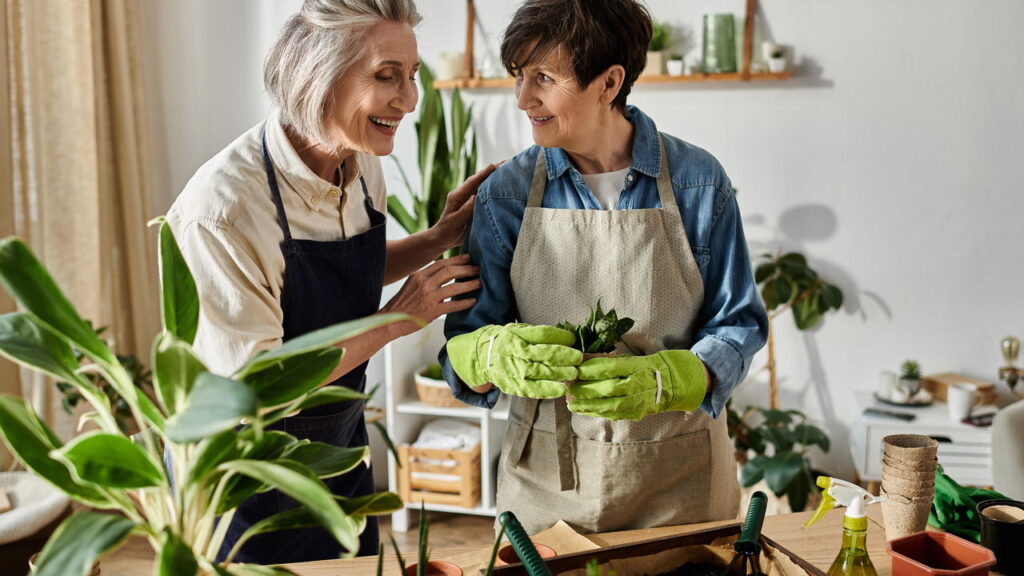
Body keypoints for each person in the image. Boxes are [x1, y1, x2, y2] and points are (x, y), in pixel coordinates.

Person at [167, 0, 494, 564]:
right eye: (387, 76)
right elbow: (259, 387)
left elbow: (347, 270)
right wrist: (399, 318)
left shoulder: (361, 162)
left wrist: (438, 236)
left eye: (412, 75)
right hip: (245, 475)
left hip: (337, 448)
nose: (410, 100)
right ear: (318, 78)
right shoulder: (223, 213)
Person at [440, 0, 768, 535]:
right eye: (520, 76)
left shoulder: (698, 182)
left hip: (679, 478)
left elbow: (739, 324)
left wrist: (672, 378)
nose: (523, 98)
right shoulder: (507, 193)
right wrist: (487, 354)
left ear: (610, 82)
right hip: (548, 484)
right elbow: (464, 344)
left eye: (544, 78)